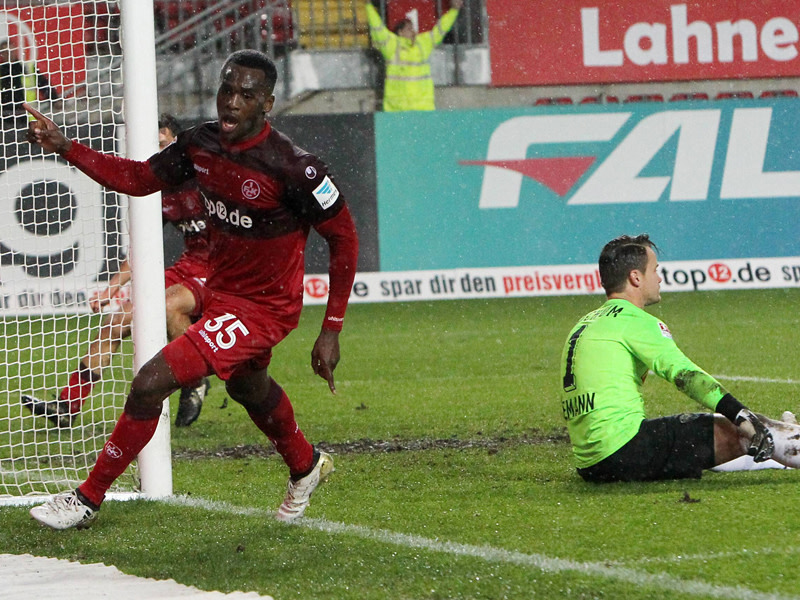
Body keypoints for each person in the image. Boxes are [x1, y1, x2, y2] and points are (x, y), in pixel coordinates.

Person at [25, 48, 359, 529]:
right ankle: (305, 466)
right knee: (249, 388)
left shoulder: (295, 168)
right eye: (227, 89)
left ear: (267, 104)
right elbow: (139, 178)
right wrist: (66, 146)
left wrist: (331, 329)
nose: (232, 102)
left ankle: (86, 499)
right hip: (223, 293)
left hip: (265, 309)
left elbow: (344, 239)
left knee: (148, 383)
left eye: (246, 94)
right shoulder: (199, 145)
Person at [21, 114, 211, 429]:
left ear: (171, 138)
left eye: (158, 140)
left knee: (168, 307)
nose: (154, 150)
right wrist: (112, 288)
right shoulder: (161, 187)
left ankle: (194, 381)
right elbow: (144, 246)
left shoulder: (206, 175)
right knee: (116, 321)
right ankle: (68, 404)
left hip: (224, 269)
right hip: (190, 266)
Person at [559, 233, 800, 482]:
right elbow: (684, 374)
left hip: (591, 464)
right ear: (635, 277)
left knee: (704, 436)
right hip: (625, 451)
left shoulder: (585, 323)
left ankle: (778, 454)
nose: (660, 278)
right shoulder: (634, 321)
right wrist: (739, 413)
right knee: (746, 430)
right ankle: (786, 440)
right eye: (655, 270)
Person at [365, 0, 463, 112]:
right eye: (409, 29)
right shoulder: (392, 45)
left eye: (413, 28)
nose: (413, 31)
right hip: (397, 111)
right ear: (400, 32)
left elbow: (441, 29)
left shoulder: (423, 43)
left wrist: (454, 11)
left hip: (423, 109)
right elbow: (377, 27)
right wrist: (368, 6)